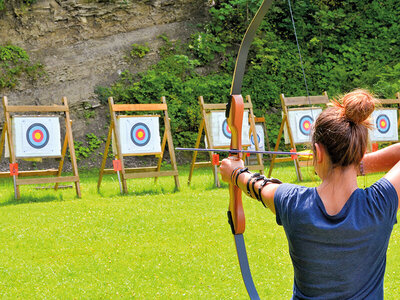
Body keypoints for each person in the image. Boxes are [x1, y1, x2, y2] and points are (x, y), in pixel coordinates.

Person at [220, 89, 400, 299]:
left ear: (318, 152)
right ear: (359, 152)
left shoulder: (292, 202)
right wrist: (356, 162)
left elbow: (256, 185)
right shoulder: (380, 204)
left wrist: (235, 172)